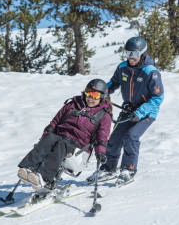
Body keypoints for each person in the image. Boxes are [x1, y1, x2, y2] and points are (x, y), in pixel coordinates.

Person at [92, 36, 164, 184]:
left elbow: (158, 98)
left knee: (131, 137)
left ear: (142, 53)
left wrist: (140, 112)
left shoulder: (151, 72)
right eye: (128, 53)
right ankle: (109, 168)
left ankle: (128, 169)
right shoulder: (122, 68)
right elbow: (112, 83)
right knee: (114, 138)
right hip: (128, 109)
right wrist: (100, 93)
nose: (131, 58)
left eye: (134, 54)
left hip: (146, 112)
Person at [18, 79, 112, 190]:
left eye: (95, 95)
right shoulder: (73, 104)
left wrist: (100, 153)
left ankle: (44, 178)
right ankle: (28, 169)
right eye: (88, 93)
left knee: (62, 144)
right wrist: (45, 136)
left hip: (79, 149)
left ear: (102, 97)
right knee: (50, 138)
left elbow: (102, 137)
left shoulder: (104, 116)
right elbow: (55, 121)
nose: (90, 98)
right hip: (60, 137)